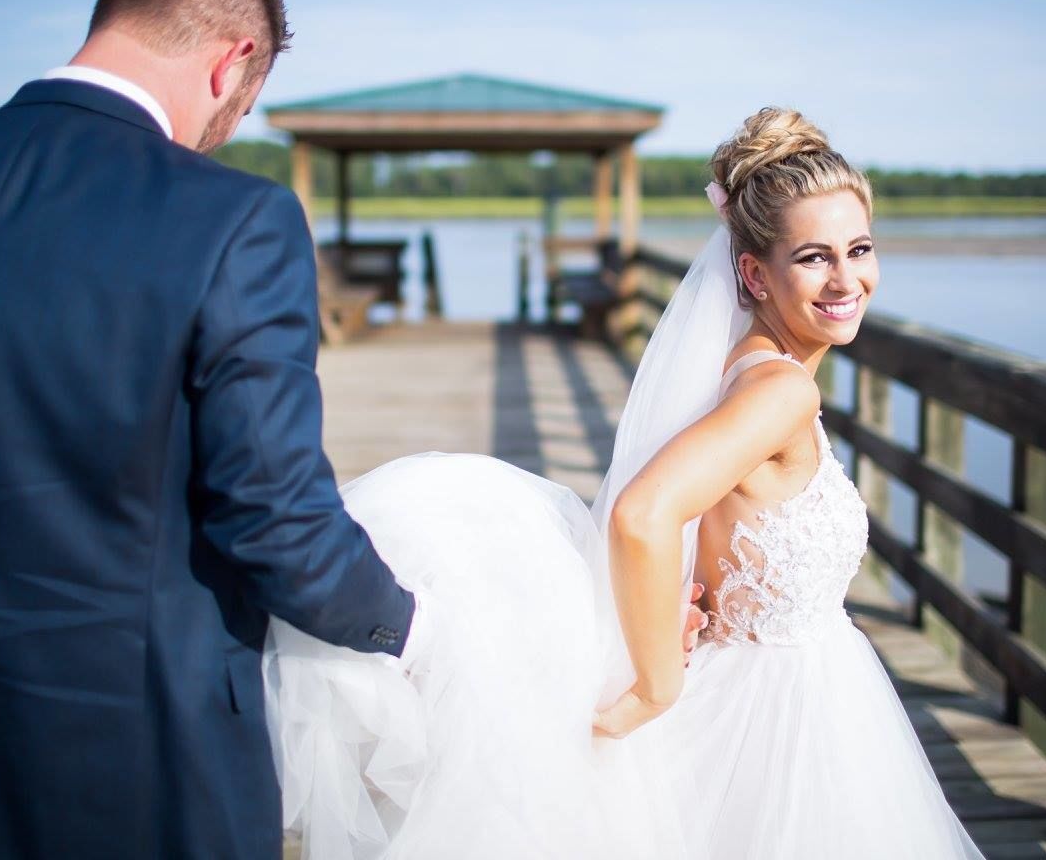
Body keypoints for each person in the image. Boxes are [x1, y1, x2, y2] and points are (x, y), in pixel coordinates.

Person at [0, 0, 417, 859]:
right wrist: (409, 623)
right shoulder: (238, 221)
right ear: (233, 65)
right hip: (149, 778)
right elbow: (277, 523)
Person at [263, 108, 985, 858]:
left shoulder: (740, 366)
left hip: (763, 693)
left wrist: (671, 607)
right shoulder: (783, 394)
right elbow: (643, 514)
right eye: (813, 257)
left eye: (859, 249)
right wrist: (656, 686)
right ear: (752, 273)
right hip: (781, 714)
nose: (846, 279)